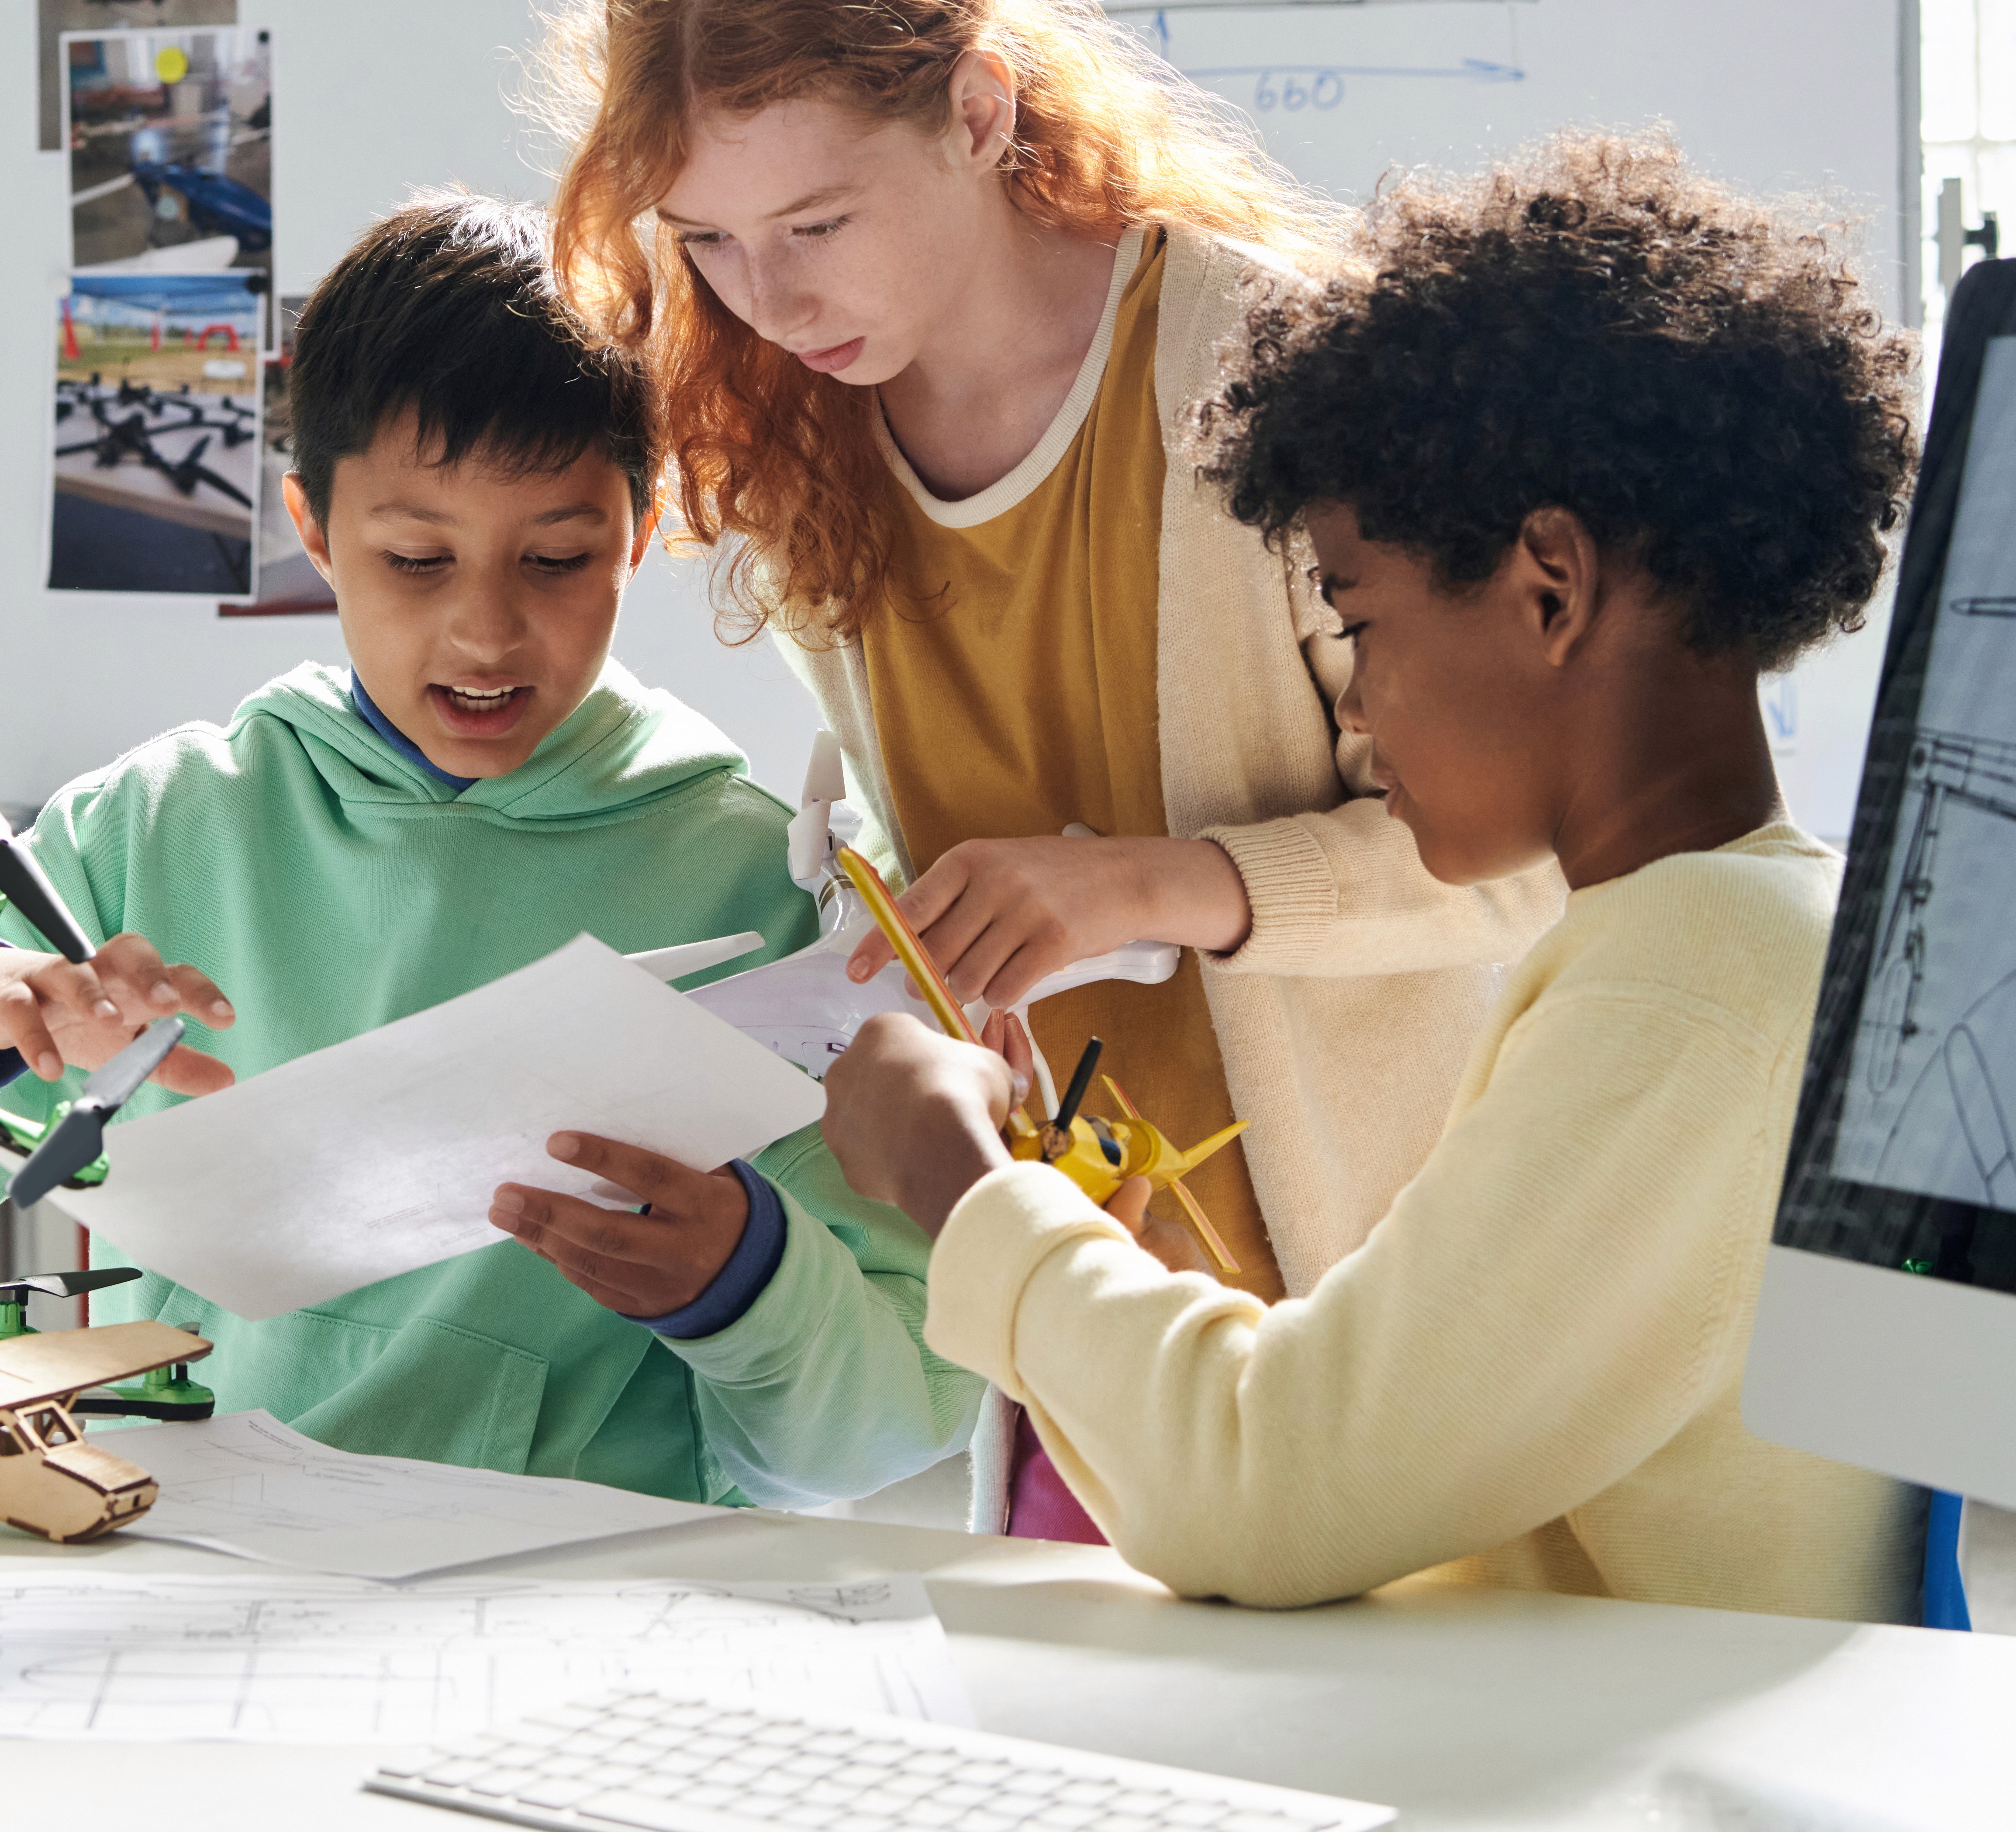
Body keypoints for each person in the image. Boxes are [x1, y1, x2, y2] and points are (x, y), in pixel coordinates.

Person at [541, 0, 1561, 1533]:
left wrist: (1158, 884)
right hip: (1072, 1325)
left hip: (1375, 1319)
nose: (765, 295)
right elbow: (941, 766)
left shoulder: (1300, 369)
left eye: (816, 219)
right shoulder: (802, 444)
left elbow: (1523, 854)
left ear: (983, 109)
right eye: (704, 240)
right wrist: (857, 879)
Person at [815, 133, 1924, 1618]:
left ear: (1551, 588)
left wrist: (958, 1186)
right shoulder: (1713, 934)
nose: (1355, 706)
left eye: (1364, 619)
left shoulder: (1701, 982)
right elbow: (1386, 1443)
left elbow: (1266, 1497)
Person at [0, 195, 982, 1507]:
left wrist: (744, 1285)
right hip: (196, 1569)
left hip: (583, 1605)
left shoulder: (769, 894)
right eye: (415, 560)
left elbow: (880, 1437)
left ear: (645, 525)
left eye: (558, 560)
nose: (487, 634)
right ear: (315, 530)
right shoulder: (154, 828)